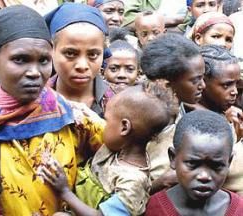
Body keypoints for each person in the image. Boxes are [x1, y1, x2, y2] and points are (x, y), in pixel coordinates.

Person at [0, 5, 105, 215]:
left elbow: (123, 158)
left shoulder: (74, 118)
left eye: (43, 60)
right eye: (20, 59)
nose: (35, 72)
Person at [40, 81, 179, 216]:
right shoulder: (116, 149)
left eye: (106, 120)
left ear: (124, 128)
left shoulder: (132, 183)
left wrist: (65, 192)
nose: (102, 125)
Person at [140, 33, 206, 193]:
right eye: (195, 80)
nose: (203, 85)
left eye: (203, 78)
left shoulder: (183, 110)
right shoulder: (140, 122)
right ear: (166, 85)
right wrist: (160, 183)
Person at [145, 110, 243, 215]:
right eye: (192, 164)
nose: (204, 176)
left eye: (216, 166)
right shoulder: (152, 209)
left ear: (229, 162)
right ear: (173, 158)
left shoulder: (239, 210)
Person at [45, 3, 114, 118]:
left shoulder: (117, 105)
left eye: (93, 54)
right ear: (51, 50)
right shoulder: (33, 102)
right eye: (70, 54)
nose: (82, 66)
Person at [103, 28, 140, 94]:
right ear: (103, 72)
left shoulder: (145, 99)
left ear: (138, 74)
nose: (122, 75)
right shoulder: (96, 98)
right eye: (113, 69)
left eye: (130, 69)